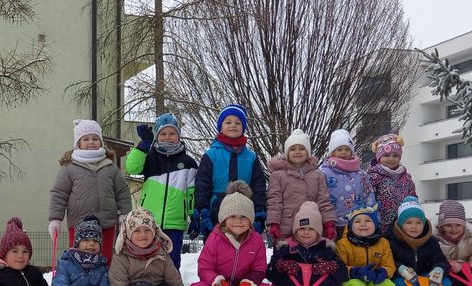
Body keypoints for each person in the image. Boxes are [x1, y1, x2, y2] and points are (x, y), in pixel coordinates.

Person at [187, 181, 277, 286]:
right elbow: (204, 267)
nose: (238, 221)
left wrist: (248, 285)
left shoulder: (256, 240)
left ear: (250, 219)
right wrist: (217, 283)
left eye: (243, 217)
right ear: (224, 219)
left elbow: (259, 269)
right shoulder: (215, 238)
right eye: (232, 216)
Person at [48, 118, 132, 263]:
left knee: (104, 260)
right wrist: (55, 219)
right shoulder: (69, 168)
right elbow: (59, 194)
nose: (91, 142)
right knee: (78, 261)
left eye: (95, 138)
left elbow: (122, 191)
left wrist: (124, 214)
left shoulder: (110, 167)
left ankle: (103, 278)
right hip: (79, 224)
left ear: (100, 142)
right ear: (78, 143)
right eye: (85, 139)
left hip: (106, 224)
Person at [125, 112, 198, 268]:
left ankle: (172, 283)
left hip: (175, 223)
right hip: (149, 222)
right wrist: (144, 145)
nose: (167, 137)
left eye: (172, 133)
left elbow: (192, 193)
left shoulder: (188, 163)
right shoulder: (149, 158)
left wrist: (194, 215)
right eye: (163, 134)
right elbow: (132, 168)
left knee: (171, 262)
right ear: (157, 136)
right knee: (147, 261)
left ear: (179, 136)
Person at [191, 103, 267, 241]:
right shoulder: (211, 156)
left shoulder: (251, 158)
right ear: (221, 127)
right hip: (216, 215)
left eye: (238, 123)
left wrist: (259, 213)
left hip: (244, 217)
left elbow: (259, 187)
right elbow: (202, 185)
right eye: (228, 122)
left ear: (243, 127)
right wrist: (202, 211)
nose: (233, 125)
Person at [266, 202, 347, 286]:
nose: (306, 232)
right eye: (302, 228)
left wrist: (331, 266)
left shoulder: (326, 249)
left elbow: (343, 274)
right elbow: (271, 273)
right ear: (296, 230)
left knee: (326, 283)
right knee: (288, 281)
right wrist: (281, 265)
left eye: (311, 229)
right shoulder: (287, 248)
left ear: (318, 231)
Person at [266, 128, 336, 243]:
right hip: (286, 226)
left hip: (310, 228)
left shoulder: (317, 175)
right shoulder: (277, 175)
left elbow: (323, 201)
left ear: (308, 152)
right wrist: (274, 223)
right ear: (287, 153)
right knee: (285, 254)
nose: (297, 152)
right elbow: (274, 201)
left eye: (302, 148)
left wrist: (328, 223)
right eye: (293, 149)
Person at [386, 197, 452, 286]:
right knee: (402, 285)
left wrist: (439, 269)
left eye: (418, 222)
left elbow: (441, 260)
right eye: (408, 222)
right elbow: (385, 262)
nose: (414, 226)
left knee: (445, 283)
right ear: (401, 224)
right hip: (401, 282)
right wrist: (400, 269)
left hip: (421, 282)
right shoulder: (390, 241)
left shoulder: (431, 241)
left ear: (424, 223)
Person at [334, 206, 397, 286]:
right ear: (350, 225)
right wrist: (354, 271)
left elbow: (389, 265)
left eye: (368, 220)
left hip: (372, 280)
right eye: (357, 221)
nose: (363, 224)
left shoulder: (383, 243)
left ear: (375, 224)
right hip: (351, 282)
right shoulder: (343, 244)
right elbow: (338, 268)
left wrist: (384, 272)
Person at [319, 128, 375, 231]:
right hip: (331, 223)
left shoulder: (361, 174)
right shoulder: (324, 172)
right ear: (332, 152)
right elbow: (319, 196)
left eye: (347, 149)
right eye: (339, 149)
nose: (344, 152)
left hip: (357, 223)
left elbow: (368, 196)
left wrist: (371, 216)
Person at [367, 133, 417, 236]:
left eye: (395, 156)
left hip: (403, 223)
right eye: (386, 155)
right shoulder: (374, 176)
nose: (391, 159)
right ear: (379, 157)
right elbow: (368, 199)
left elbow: (413, 197)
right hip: (382, 224)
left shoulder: (406, 177)